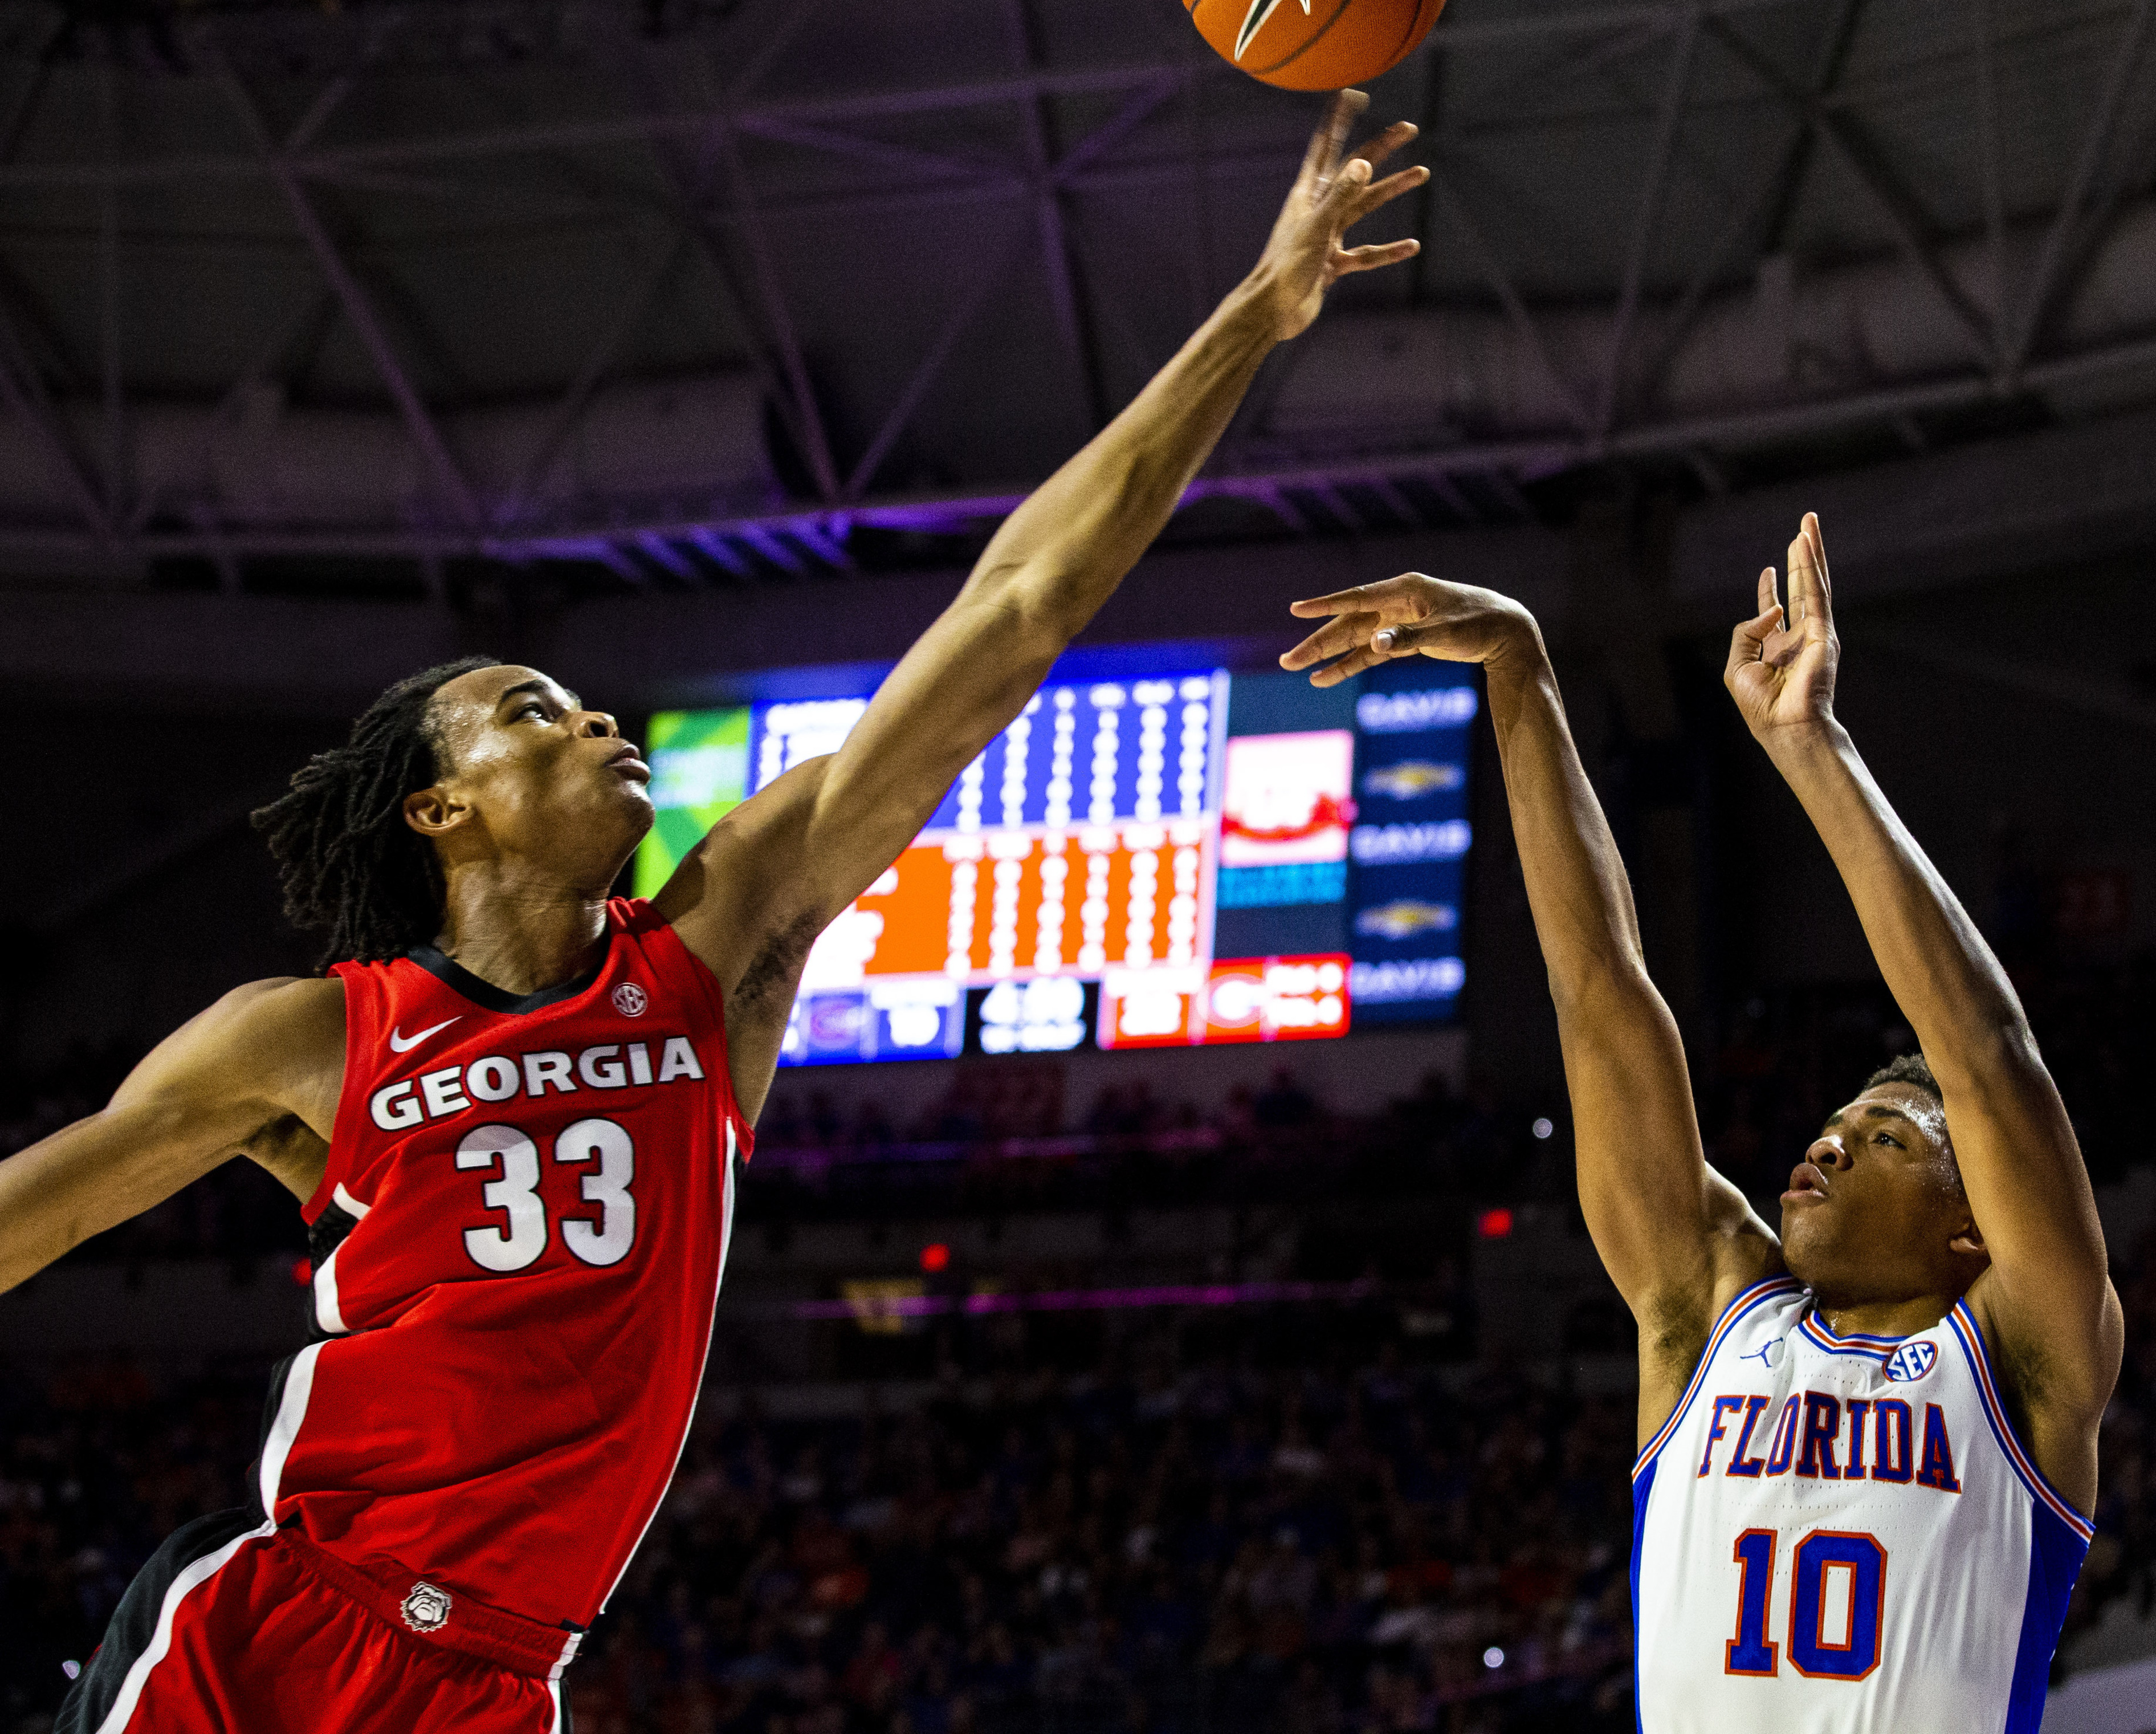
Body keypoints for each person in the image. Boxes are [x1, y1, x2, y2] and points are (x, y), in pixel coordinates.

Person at [1, 92, 1428, 1734]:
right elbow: (37, 1216)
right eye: (533, 713)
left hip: (500, 1681)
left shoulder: (713, 952)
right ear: (441, 808)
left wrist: (1252, 314)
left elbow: (1018, 606)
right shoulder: (312, 1036)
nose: (596, 720)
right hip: (278, 1634)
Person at [1277, 508, 2121, 1730]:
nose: (1827, 1144)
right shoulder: (1709, 1307)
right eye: (1837, 1124)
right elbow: (1600, 992)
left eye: (1886, 1140)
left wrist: (1811, 748)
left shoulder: (2020, 1355)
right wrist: (1521, 674)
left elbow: (1986, 1057)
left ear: (1971, 1228)